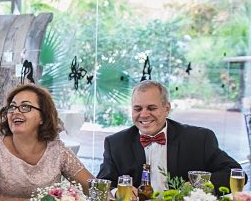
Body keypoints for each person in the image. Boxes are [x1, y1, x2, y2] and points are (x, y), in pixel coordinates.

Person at [97, 80, 241, 192]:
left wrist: (196, 186)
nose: (144, 114)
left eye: (151, 108)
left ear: (166, 109)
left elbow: (235, 173)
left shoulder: (199, 139)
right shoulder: (116, 143)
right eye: (138, 108)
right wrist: (118, 192)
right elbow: (103, 183)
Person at [0, 84, 93, 201]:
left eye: (25, 107)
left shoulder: (58, 150)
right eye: (12, 107)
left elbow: (93, 188)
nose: (16, 111)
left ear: (42, 117)